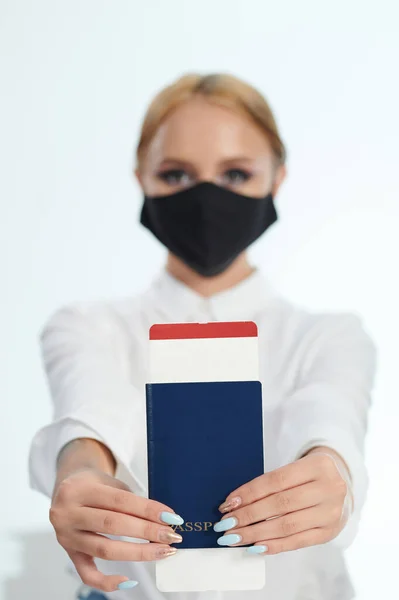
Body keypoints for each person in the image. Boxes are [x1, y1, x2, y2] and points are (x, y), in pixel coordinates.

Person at [29, 73, 376, 600]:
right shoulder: (87, 326)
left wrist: (332, 473)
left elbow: (329, 415)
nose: (207, 197)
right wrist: (79, 470)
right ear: (140, 177)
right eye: (176, 175)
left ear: (278, 178)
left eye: (236, 173)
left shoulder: (328, 336)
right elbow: (90, 408)